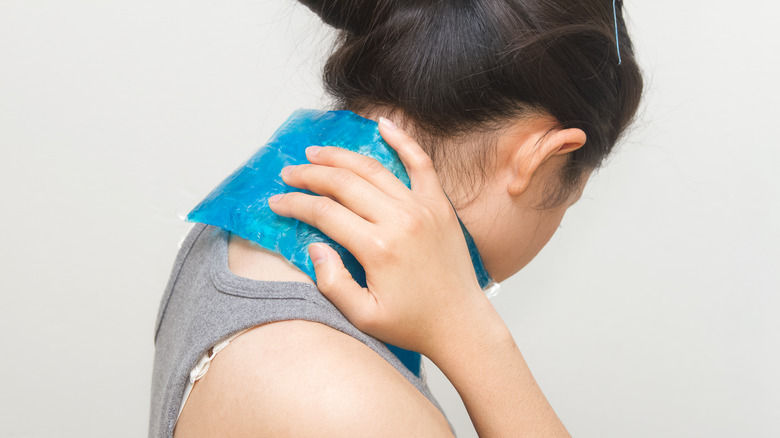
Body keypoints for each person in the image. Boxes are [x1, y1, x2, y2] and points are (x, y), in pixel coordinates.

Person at [151, 0, 643, 436]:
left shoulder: (244, 219)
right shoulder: (351, 409)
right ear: (541, 157)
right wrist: (473, 333)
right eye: (569, 198)